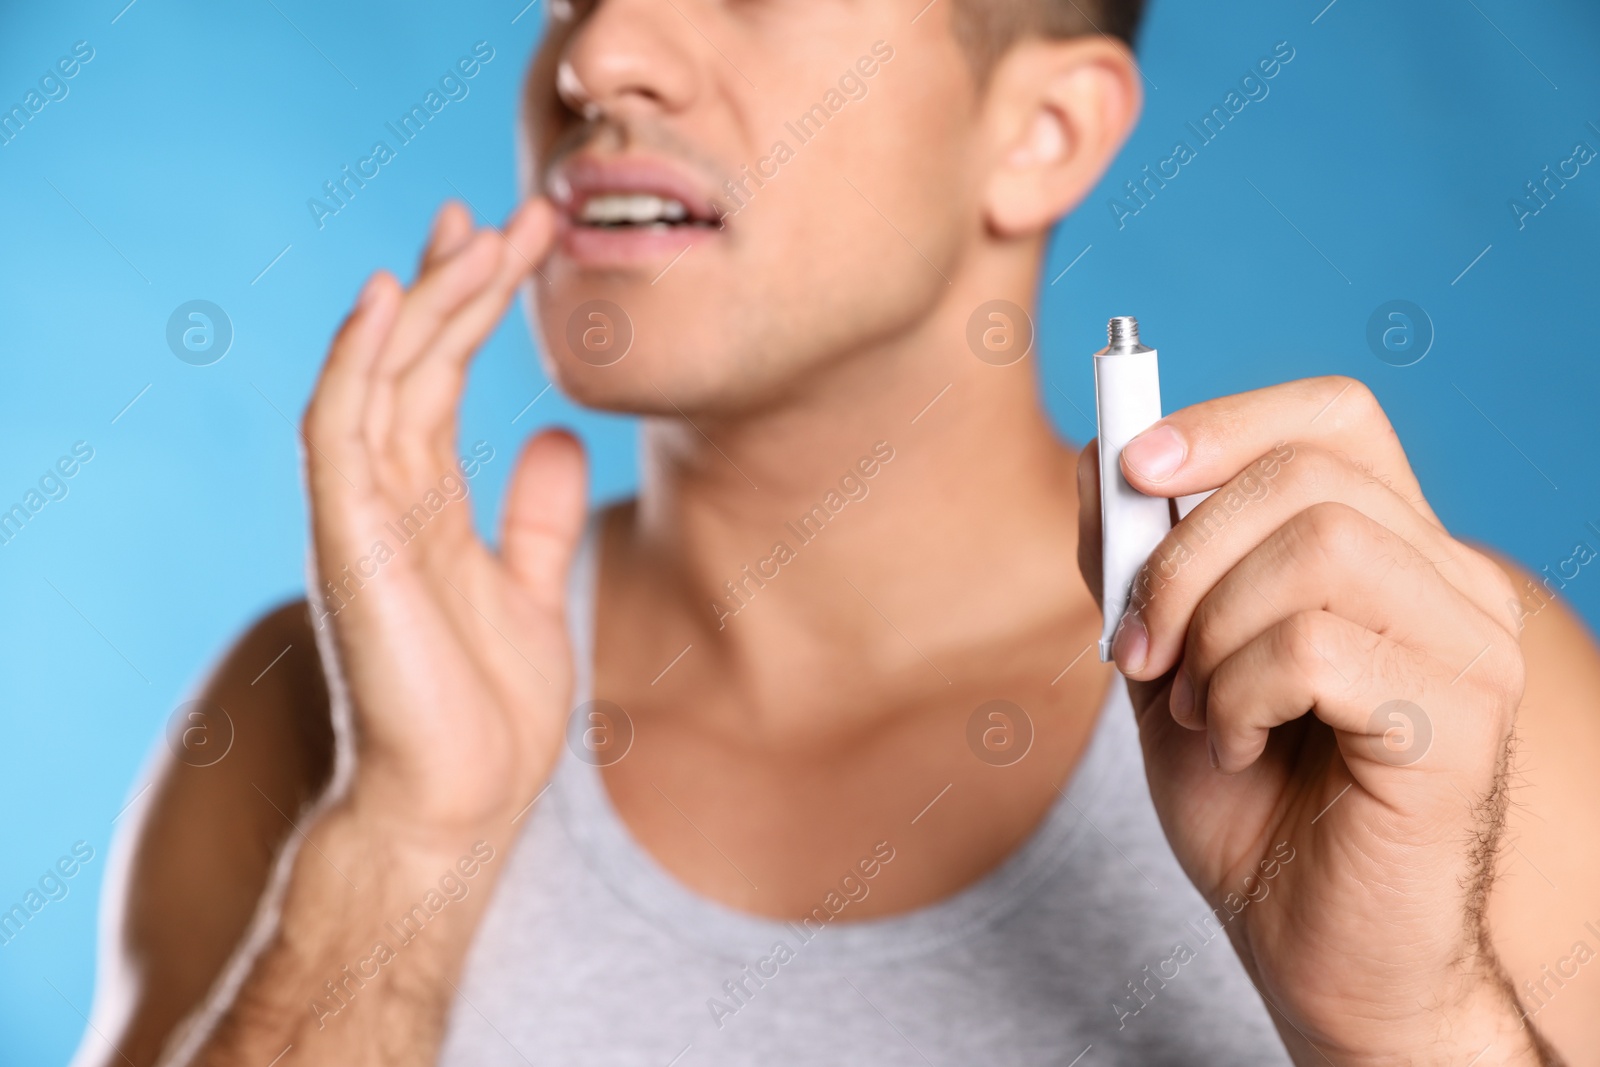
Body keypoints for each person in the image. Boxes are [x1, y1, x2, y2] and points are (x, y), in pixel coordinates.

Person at [74, 0, 1600, 1063]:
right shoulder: (313, 707)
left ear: (1046, 132)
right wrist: (395, 851)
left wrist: (1407, 1028)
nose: (596, 54)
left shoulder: (1425, 694)